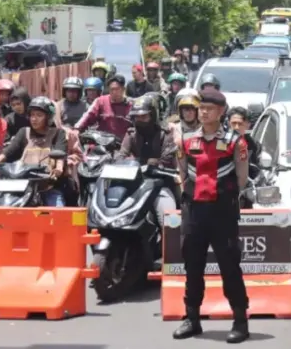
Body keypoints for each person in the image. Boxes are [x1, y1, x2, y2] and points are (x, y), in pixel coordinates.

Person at [173, 90, 250, 343]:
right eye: (201, 107)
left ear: (221, 111)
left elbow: (241, 177)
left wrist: (225, 198)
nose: (203, 112)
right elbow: (182, 172)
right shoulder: (186, 139)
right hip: (194, 211)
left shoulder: (234, 141)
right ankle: (192, 319)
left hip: (222, 212)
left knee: (229, 267)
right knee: (192, 266)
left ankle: (240, 321)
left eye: (209, 108)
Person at [0, 96, 70, 207]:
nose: (34, 119)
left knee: (58, 214)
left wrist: (58, 168)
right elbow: (9, 151)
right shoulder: (23, 132)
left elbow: (60, 153)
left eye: (39, 115)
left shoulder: (58, 133)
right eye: (32, 115)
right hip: (22, 186)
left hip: (48, 186)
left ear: (48, 117)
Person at [117, 95, 179, 224]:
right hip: (134, 185)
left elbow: (166, 160)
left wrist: (151, 162)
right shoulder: (131, 134)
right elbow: (120, 157)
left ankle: (174, 244)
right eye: (137, 117)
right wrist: (138, 162)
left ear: (153, 115)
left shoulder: (165, 134)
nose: (140, 120)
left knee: (172, 219)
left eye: (144, 117)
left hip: (160, 186)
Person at [75, 75, 134, 139]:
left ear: (123, 89)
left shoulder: (131, 105)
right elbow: (87, 116)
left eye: (117, 89)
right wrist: (76, 129)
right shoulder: (100, 101)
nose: (114, 92)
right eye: (112, 89)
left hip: (123, 144)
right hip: (103, 142)